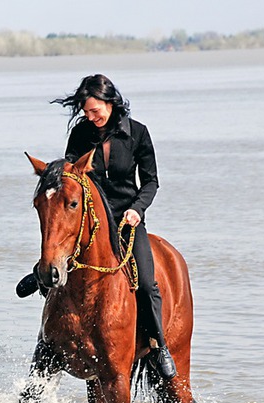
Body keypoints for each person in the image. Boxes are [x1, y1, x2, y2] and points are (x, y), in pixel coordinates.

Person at [16, 74, 176, 380]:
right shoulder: (80, 134)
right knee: (58, 246)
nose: (92, 117)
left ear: (110, 103)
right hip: (91, 219)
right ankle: (43, 277)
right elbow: (69, 179)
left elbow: (151, 181)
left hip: (127, 219)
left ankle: (158, 346)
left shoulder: (138, 134)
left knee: (146, 282)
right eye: (87, 113)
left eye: (96, 111)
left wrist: (137, 209)